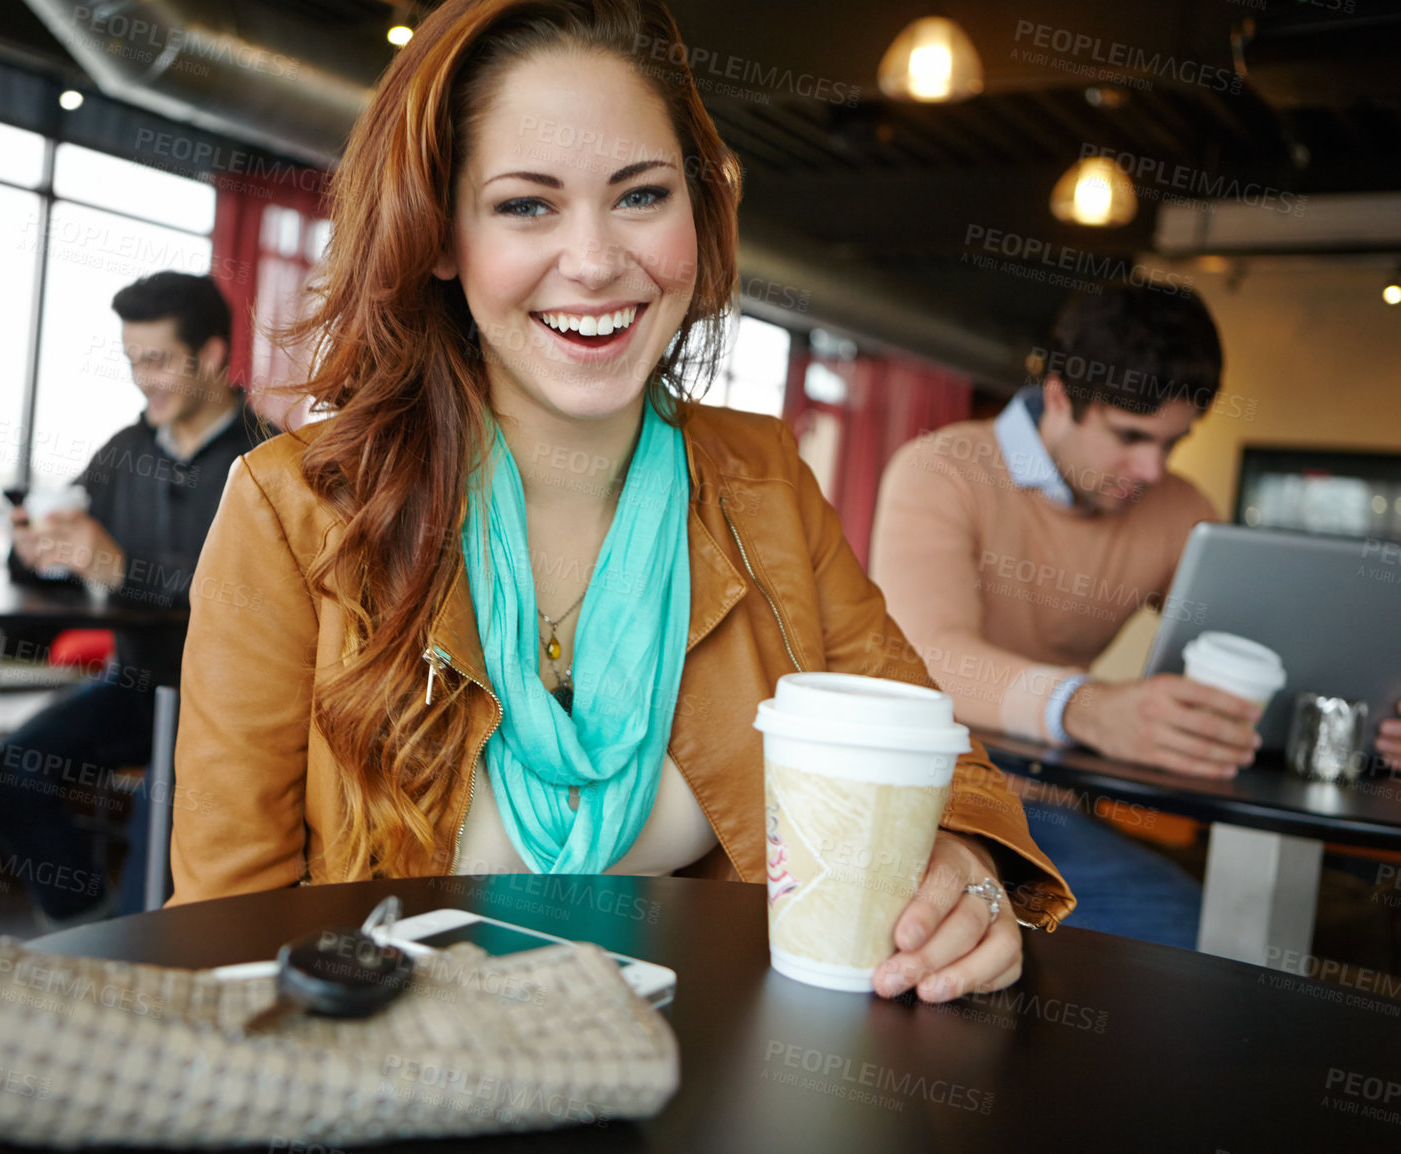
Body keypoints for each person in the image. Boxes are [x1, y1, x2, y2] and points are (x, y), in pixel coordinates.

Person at [172, 0, 1073, 1005]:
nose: (596, 262)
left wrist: (963, 865)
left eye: (640, 195)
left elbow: (930, 749)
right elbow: (226, 932)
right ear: (440, 235)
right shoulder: (292, 508)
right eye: (526, 205)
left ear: (699, 210)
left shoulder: (763, 482)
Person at [869, 285, 1239, 949]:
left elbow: (1246, 646)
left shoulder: (1180, 509)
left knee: (1219, 925)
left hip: (1042, 805)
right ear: (1063, 396)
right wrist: (1088, 708)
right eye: (1130, 436)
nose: (1152, 468)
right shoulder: (942, 470)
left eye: (1173, 442)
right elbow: (927, 656)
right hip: (919, 795)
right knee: (1195, 931)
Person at [0, 271, 269, 926]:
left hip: (228, 704)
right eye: (133, 360)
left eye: (158, 359)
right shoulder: (124, 452)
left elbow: (251, 598)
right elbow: (58, 560)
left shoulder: (269, 459)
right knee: (13, 773)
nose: (143, 378)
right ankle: (88, 931)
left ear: (213, 357)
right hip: (136, 686)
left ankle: (138, 950)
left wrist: (121, 566)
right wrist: (38, 553)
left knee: (161, 827)